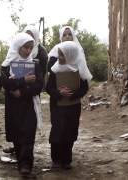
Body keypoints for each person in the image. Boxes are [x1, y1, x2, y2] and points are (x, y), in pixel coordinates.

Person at [0, 33, 43, 175]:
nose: (28, 50)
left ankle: (26, 164)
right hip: (13, 106)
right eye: (25, 47)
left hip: (29, 104)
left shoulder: (35, 64)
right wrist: (23, 80)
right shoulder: (7, 66)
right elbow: (4, 83)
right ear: (18, 46)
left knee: (29, 133)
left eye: (31, 47)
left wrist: (23, 92)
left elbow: (39, 85)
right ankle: (21, 160)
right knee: (17, 134)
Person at [46, 41, 92, 169]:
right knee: (57, 131)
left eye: (62, 55)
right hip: (57, 106)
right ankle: (56, 160)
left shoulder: (78, 70)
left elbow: (84, 88)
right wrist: (59, 93)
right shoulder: (55, 69)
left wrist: (72, 94)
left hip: (73, 107)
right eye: (59, 55)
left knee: (70, 132)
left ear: (70, 55)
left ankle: (66, 160)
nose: (59, 58)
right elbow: (49, 88)